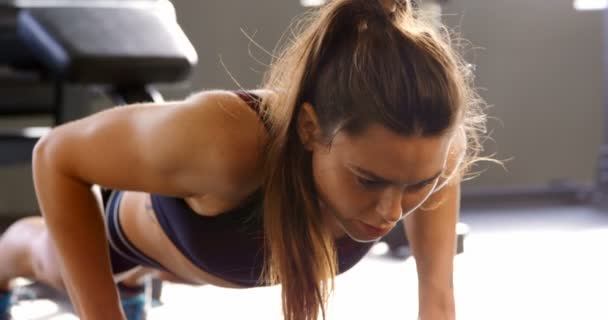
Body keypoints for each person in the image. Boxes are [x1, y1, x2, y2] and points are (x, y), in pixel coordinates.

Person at [0, 0, 488, 319]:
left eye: (417, 184)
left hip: (209, 261)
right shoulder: (222, 141)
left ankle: (133, 284)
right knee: (50, 260)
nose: (390, 211)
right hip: (135, 237)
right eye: (367, 180)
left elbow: (438, 299)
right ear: (309, 129)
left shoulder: (431, 147)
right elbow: (55, 154)